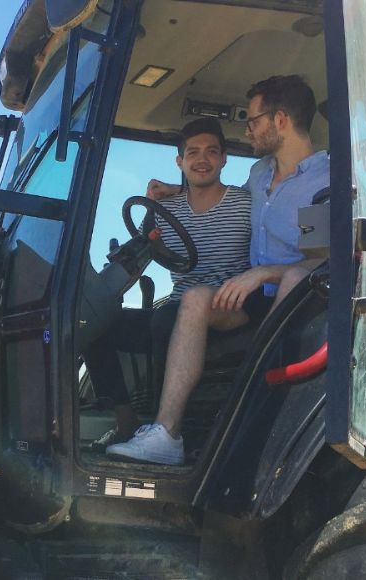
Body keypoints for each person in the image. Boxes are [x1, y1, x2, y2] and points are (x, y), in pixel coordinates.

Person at [106, 75, 328, 465]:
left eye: (254, 120)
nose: (248, 129)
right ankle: (165, 434)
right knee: (192, 299)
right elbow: (221, 193)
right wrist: (175, 193)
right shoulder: (261, 174)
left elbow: (318, 261)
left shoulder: (320, 184)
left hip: (294, 300)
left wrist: (261, 273)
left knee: (289, 278)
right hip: (251, 298)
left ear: (279, 121)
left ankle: (257, 410)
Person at [84, 117, 251, 449]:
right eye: (193, 153)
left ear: (223, 159)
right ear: (180, 161)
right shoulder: (163, 210)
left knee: (165, 319)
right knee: (93, 322)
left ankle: (168, 431)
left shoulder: (246, 204)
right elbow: (148, 247)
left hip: (228, 309)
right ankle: (125, 423)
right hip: (179, 303)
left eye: (211, 152)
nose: (202, 160)